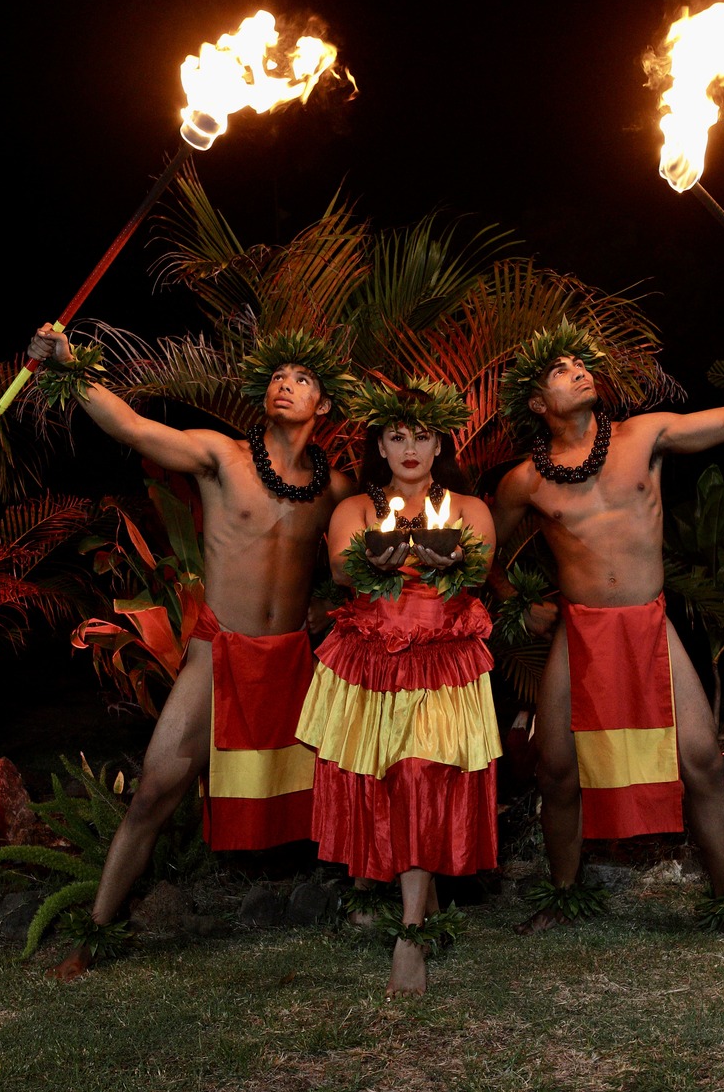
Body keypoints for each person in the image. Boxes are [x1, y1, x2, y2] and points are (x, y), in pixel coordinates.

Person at [494, 318, 724, 940]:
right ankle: (564, 896)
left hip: (648, 624)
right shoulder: (524, 480)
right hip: (580, 631)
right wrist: (515, 601)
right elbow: (483, 553)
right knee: (555, 767)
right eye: (560, 369)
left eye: (581, 362)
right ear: (537, 402)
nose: (579, 369)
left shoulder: (643, 435)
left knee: (702, 760)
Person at [28, 322, 357, 977]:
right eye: (276, 377)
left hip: (296, 659)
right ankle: (97, 934)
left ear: (323, 405)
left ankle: (382, 905)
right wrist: (70, 367)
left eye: (301, 379)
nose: (284, 386)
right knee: (154, 790)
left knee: (354, 782)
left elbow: (363, 552)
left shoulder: (335, 489)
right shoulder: (221, 457)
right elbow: (132, 426)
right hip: (221, 654)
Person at [298, 378, 499, 995]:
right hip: (373, 664)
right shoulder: (355, 510)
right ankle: (421, 893)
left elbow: (483, 562)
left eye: (421, 436)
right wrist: (374, 562)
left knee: (419, 775)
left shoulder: (469, 508)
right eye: (396, 436)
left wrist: (453, 563)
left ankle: (409, 937)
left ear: (439, 444)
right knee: (387, 781)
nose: (410, 447)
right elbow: (339, 566)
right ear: (379, 447)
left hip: (442, 661)